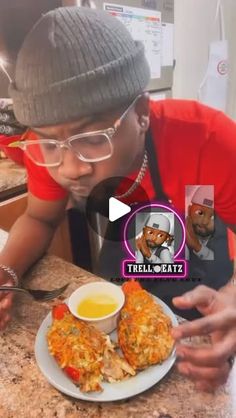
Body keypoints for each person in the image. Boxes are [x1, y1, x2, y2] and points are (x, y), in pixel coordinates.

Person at [0, 7, 236, 391]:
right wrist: (6, 272)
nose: (70, 167)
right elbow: (41, 218)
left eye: (92, 138)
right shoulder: (52, 148)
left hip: (205, 298)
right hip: (124, 292)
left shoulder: (208, 141)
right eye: (48, 141)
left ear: (141, 113)